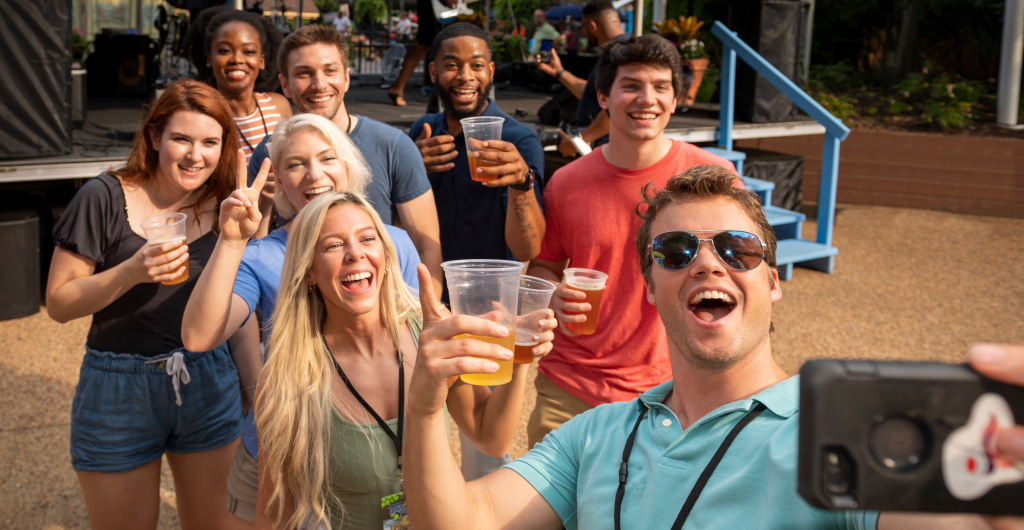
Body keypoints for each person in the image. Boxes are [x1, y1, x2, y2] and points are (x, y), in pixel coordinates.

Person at [401, 164, 1024, 530]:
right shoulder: (593, 435)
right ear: (649, 287)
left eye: (738, 250)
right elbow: (460, 520)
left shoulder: (843, 433)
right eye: (675, 252)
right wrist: (427, 404)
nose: (707, 264)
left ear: (772, 282)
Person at [252, 191, 557, 528]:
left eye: (367, 238)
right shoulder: (290, 375)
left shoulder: (426, 332)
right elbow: (274, 510)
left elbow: (490, 436)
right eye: (333, 245)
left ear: (384, 252)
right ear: (308, 271)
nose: (356, 253)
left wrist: (518, 356)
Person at [182, 114, 424, 526]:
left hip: (380, 457)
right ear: (277, 180)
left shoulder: (389, 243)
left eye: (327, 158)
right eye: (295, 164)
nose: (314, 174)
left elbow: (412, 340)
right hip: (282, 462)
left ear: (347, 165)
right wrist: (231, 240)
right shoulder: (259, 256)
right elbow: (199, 335)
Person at [45, 80, 246, 530]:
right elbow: (58, 303)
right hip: (118, 387)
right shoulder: (103, 196)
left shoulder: (229, 205)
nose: (196, 155)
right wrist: (130, 271)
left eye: (210, 142)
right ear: (155, 137)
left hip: (209, 379)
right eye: (182, 139)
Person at [525, 35, 737, 448]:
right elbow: (544, 265)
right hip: (570, 385)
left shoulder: (712, 177)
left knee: (658, 511)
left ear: (675, 100)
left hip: (677, 387)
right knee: (555, 512)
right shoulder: (567, 182)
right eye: (631, 86)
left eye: (660, 87)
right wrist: (552, 295)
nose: (647, 99)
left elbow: (742, 273)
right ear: (603, 96)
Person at [247, 24, 444, 294]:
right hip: (299, 313)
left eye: (330, 70)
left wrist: (421, 317)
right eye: (304, 73)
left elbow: (426, 245)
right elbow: (257, 252)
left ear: (346, 78)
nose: (319, 84)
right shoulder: (269, 151)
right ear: (285, 85)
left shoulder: (394, 145)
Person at [411, 22, 546, 275]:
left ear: (491, 71)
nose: (465, 76)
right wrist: (410, 168)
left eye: (477, 65)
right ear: (433, 71)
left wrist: (521, 181)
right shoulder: (424, 131)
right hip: (424, 290)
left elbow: (527, 250)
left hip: (488, 298)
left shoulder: (518, 141)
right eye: (451, 65)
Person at [187, 7, 292, 162]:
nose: (237, 59)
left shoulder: (278, 106)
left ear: (261, 61)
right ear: (209, 59)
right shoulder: (202, 116)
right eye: (224, 51)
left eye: (248, 51)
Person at [536, 0, 626, 156]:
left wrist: (578, 141)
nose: (582, 32)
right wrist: (558, 72)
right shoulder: (616, 51)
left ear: (592, 26)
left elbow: (619, 106)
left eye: (582, 26)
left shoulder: (620, 54)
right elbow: (592, 93)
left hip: (608, 149)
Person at [387, 0, 445, 106]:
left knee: (428, 42)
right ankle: (398, 88)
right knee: (430, 42)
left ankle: (398, 88)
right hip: (434, 4)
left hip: (441, 6)